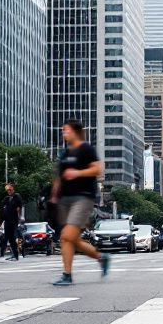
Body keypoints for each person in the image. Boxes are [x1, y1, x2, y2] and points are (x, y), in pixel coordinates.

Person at [50, 119, 109, 286]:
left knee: (66, 236)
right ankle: (101, 258)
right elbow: (59, 176)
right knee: (70, 239)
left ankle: (67, 275)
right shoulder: (65, 153)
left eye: (66, 130)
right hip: (65, 199)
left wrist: (78, 173)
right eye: (63, 130)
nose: (64, 133)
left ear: (75, 131)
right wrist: (54, 195)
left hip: (83, 198)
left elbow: (98, 169)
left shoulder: (86, 149)